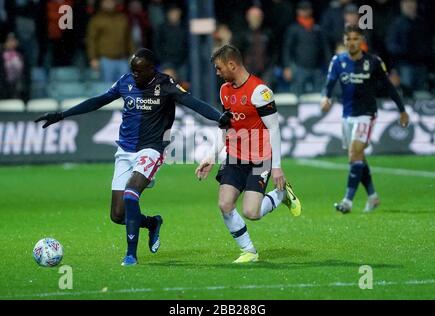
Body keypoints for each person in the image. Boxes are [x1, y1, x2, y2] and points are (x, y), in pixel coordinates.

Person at [35, 48, 232, 266]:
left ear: (151, 69)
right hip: (125, 151)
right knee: (118, 215)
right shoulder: (125, 82)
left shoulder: (164, 84)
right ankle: (151, 223)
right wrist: (62, 115)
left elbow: (193, 102)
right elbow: (99, 100)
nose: (135, 75)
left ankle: (130, 255)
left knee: (131, 194)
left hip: (152, 149)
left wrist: (218, 117)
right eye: (133, 70)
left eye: (139, 71)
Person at [195, 45, 301, 263]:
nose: (217, 72)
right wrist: (211, 156)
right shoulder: (225, 90)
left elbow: (274, 129)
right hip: (234, 156)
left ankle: (281, 195)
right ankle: (249, 252)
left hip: (260, 158)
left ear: (232, 65)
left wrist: (277, 166)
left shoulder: (260, 92)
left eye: (219, 68)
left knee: (252, 213)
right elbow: (226, 127)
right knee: (225, 204)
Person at [320, 25, 410, 214]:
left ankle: (347, 201)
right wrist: (325, 97)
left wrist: (402, 110)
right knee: (357, 157)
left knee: (354, 154)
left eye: (355, 39)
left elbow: (389, 87)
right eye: (348, 39)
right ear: (344, 41)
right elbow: (328, 84)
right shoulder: (338, 61)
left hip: (366, 114)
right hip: (347, 115)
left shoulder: (374, 62)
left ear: (362, 41)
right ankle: (373, 196)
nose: (351, 42)